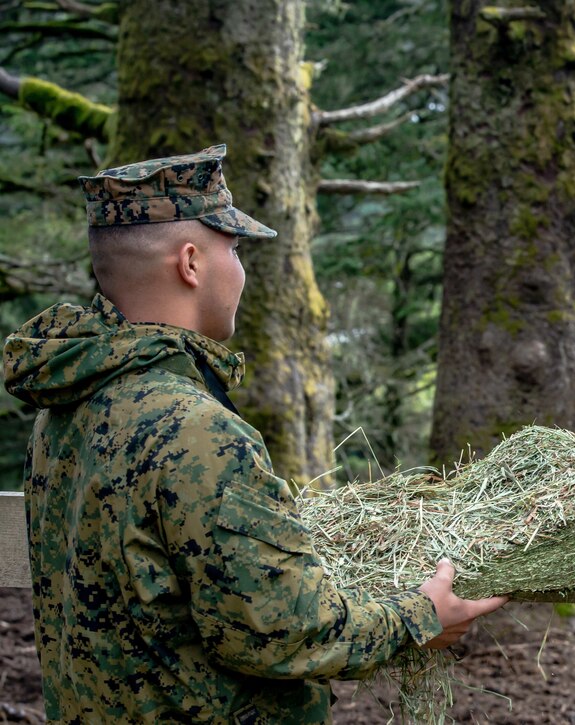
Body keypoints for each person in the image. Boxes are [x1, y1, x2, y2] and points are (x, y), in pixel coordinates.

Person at [2, 145, 506, 723]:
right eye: (235, 250)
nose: (240, 271)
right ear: (191, 264)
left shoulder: (68, 403)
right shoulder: (194, 430)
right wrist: (419, 617)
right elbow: (281, 632)